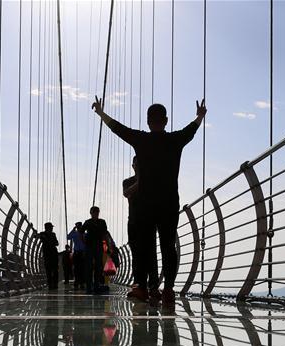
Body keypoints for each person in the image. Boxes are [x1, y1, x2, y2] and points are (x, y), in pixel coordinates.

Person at [92, 96, 207, 306]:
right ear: (166, 120)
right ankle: (168, 290)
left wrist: (100, 113)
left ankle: (143, 289)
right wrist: (200, 116)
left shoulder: (141, 139)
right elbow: (192, 129)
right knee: (168, 246)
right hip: (169, 203)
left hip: (145, 205)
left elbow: (118, 128)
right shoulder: (175, 140)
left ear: (147, 121)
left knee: (145, 246)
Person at [123, 156, 158, 302]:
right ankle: (140, 287)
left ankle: (153, 288)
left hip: (149, 221)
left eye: (141, 163)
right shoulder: (127, 181)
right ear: (133, 166)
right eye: (136, 164)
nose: (138, 166)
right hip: (133, 222)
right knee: (136, 254)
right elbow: (127, 193)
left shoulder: (151, 180)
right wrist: (141, 182)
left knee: (151, 254)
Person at [82, 206, 109, 294]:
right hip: (89, 247)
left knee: (98, 267)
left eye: (97, 212)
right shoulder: (87, 222)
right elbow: (81, 232)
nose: (96, 214)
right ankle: (89, 287)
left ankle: (96, 286)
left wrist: (108, 246)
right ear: (91, 213)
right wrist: (84, 242)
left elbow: (105, 234)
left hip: (98, 246)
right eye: (94, 212)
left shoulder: (102, 222)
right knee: (89, 267)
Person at [36, 222, 59, 290]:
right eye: (51, 227)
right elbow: (35, 236)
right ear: (48, 228)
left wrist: (46, 239)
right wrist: (41, 236)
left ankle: (54, 284)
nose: (52, 228)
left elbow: (57, 243)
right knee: (49, 270)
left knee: (54, 270)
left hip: (53, 254)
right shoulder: (43, 234)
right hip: (48, 254)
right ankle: (51, 284)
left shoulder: (53, 234)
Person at [67, 222, 87, 289]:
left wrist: (73, 230)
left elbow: (68, 237)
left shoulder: (75, 233)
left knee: (77, 269)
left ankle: (77, 283)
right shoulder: (84, 234)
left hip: (77, 253)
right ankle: (81, 283)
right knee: (81, 269)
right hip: (81, 253)